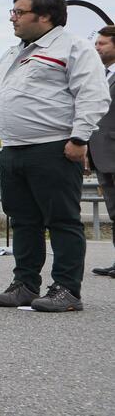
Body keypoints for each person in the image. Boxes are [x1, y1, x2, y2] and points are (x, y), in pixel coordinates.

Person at [0, 0, 109, 312]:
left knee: (62, 220)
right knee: (23, 220)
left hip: (53, 148)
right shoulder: (13, 53)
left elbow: (93, 95)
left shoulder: (73, 48)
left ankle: (67, 289)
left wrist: (80, 139)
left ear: (46, 16)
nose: (13, 18)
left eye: (19, 12)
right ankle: (25, 283)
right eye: (13, 11)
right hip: (14, 150)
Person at [88, 24, 115, 278]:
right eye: (96, 43)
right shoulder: (101, 75)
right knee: (114, 209)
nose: (96, 47)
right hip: (102, 154)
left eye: (102, 44)